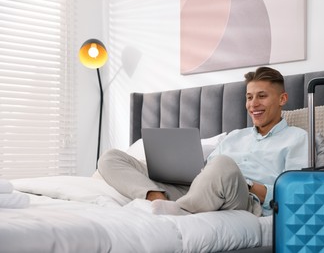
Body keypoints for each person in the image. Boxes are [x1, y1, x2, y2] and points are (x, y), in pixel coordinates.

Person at [98, 67, 308, 216]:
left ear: (282, 99)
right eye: (249, 97)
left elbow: (294, 194)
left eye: (261, 96)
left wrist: (248, 184)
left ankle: (180, 211)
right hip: (199, 188)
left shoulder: (297, 138)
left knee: (222, 164)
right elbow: (207, 172)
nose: (253, 104)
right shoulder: (235, 136)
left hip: (244, 199)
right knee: (110, 158)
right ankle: (157, 198)